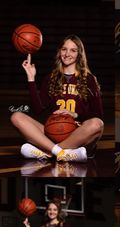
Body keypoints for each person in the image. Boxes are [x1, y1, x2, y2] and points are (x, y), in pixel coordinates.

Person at [11, 34, 104, 162]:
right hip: (54, 131)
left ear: (79, 54)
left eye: (73, 50)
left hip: (79, 134)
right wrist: (31, 78)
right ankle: (61, 153)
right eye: (64, 49)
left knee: (97, 124)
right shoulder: (50, 78)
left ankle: (48, 151)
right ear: (59, 51)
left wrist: (75, 114)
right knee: (16, 117)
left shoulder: (89, 79)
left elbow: (98, 113)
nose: (67, 54)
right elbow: (38, 109)